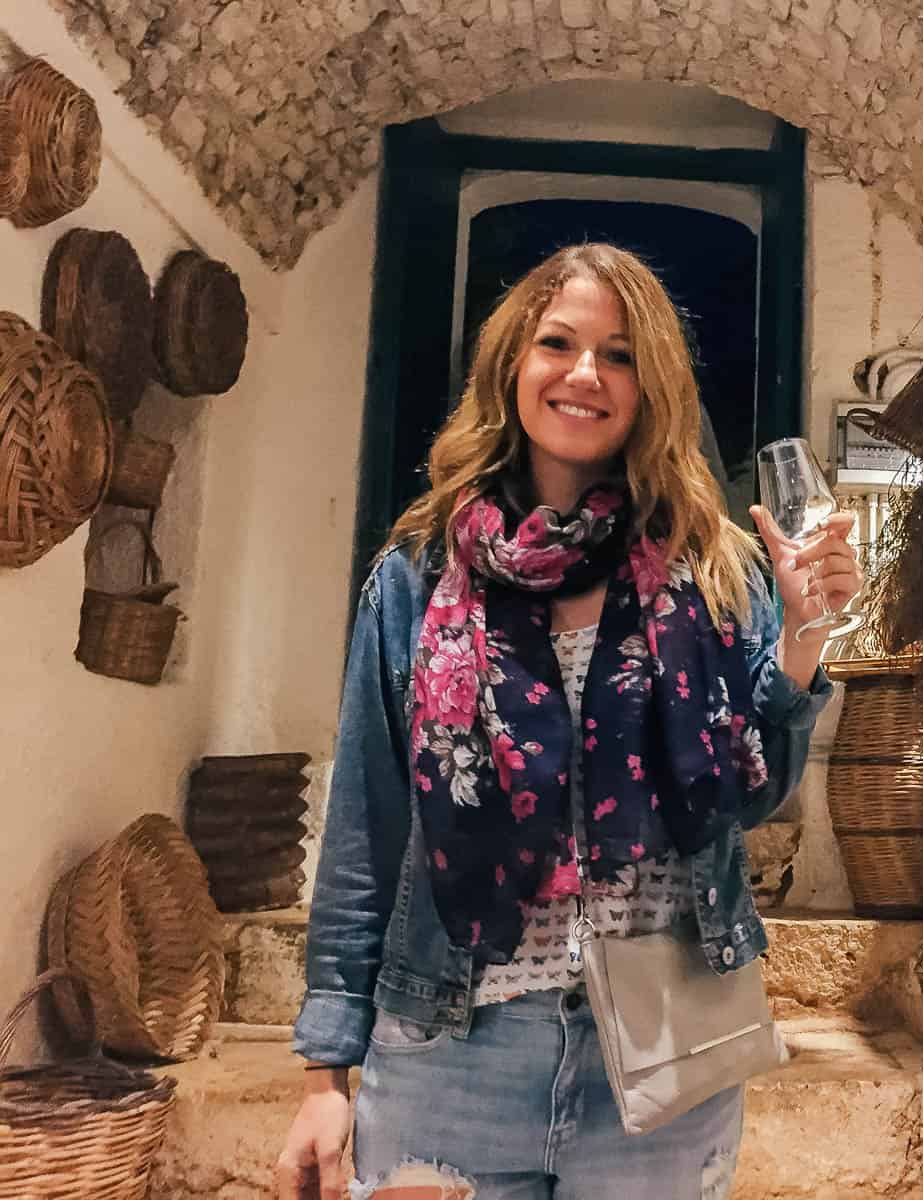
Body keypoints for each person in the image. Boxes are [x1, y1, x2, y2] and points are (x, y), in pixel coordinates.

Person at [276, 243, 861, 1200]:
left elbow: (750, 795)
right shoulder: (418, 578)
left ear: (653, 385)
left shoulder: (709, 568)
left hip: (667, 1041)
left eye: (621, 354)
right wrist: (323, 1074)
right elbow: (367, 827)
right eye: (560, 342)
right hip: (451, 1051)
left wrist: (801, 634)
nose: (586, 373)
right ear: (513, 365)